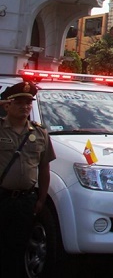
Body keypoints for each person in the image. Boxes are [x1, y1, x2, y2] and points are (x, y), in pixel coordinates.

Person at [0, 81, 56, 278]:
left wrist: (41, 199)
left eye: (28, 103)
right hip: (2, 197)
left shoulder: (40, 133)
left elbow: (44, 168)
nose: (25, 107)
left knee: (18, 247)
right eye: (19, 103)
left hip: (25, 200)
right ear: (7, 105)